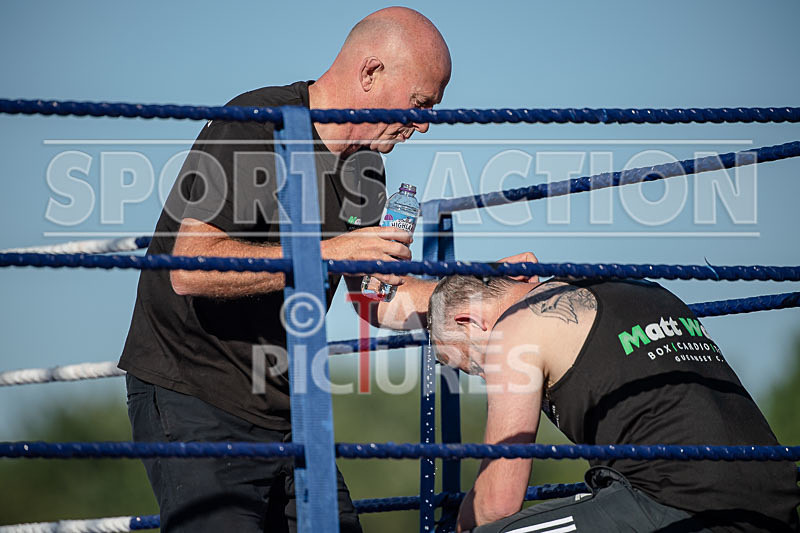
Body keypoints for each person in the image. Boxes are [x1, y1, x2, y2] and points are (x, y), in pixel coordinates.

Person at [118, 7, 451, 532]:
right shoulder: (257, 121)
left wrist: (480, 298)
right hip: (194, 399)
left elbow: (371, 297)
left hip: (292, 415)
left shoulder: (369, 169)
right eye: (419, 104)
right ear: (370, 74)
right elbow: (187, 269)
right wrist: (329, 251)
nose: (425, 122)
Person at [427, 274, 800, 532]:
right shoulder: (637, 286)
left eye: (473, 365)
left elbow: (497, 502)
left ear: (470, 320)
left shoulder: (516, 327)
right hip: (775, 497)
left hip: (679, 500)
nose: (484, 376)